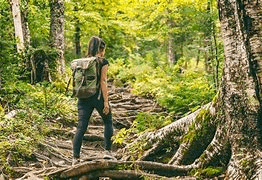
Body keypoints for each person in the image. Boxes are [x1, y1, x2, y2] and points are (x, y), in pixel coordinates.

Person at [72, 36, 114, 165]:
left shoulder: (81, 62)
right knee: (108, 121)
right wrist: (106, 102)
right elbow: (103, 81)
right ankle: (107, 152)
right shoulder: (102, 61)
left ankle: (75, 158)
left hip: (83, 97)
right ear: (101, 48)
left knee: (81, 127)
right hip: (97, 97)